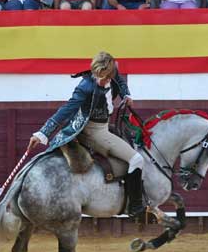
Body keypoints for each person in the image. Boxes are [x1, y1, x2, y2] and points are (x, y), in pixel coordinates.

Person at [27, 51, 147, 219]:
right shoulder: (85, 87)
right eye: (99, 77)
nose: (102, 81)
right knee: (137, 159)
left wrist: (126, 94)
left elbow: (119, 80)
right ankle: (135, 206)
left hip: (104, 126)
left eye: (106, 77)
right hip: (94, 132)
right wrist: (42, 133)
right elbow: (66, 110)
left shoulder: (113, 73)